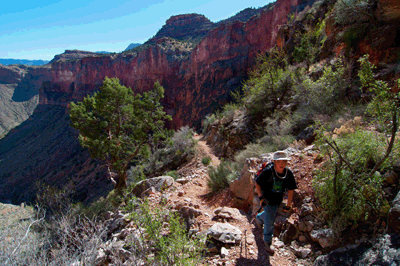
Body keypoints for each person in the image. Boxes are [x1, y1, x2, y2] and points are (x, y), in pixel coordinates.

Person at [255, 150, 297, 255]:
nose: (282, 164)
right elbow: (257, 183)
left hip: (278, 199)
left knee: (269, 215)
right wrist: (261, 198)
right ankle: (267, 242)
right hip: (267, 198)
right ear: (274, 162)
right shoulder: (268, 171)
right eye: (279, 161)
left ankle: (259, 218)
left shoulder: (288, 173)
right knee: (270, 221)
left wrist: (288, 205)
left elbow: (291, 189)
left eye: (284, 161)